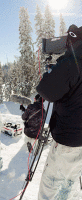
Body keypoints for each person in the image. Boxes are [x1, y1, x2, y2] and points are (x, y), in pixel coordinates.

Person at [36, 24, 82, 199]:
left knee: (51, 186)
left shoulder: (72, 63)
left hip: (67, 140)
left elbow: (45, 90)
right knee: (69, 184)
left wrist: (56, 68)